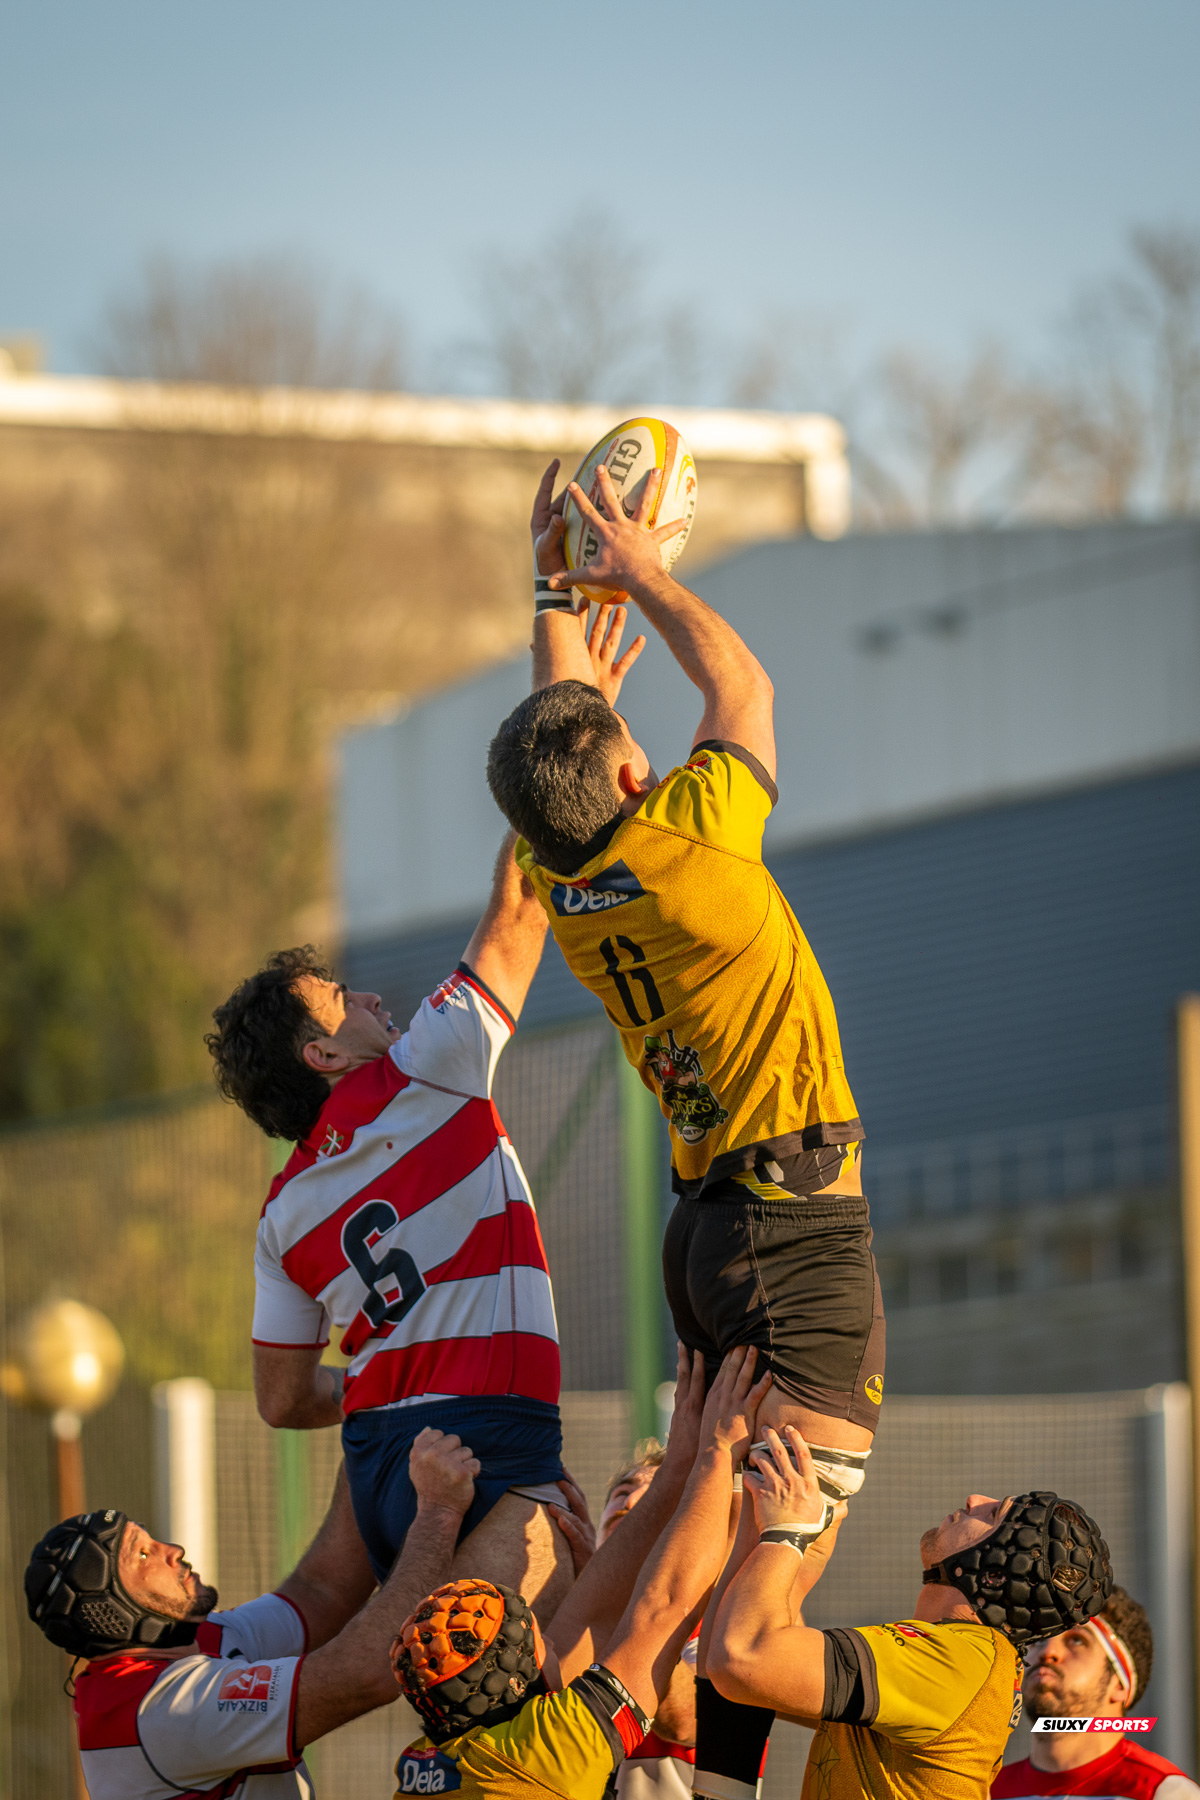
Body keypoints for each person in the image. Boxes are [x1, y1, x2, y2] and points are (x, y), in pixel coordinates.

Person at [486, 459, 885, 1794]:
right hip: (780, 1230)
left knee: (678, 1514)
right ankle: (657, 1757)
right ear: (633, 771)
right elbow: (748, 696)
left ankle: (551, 1724)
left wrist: (560, 581)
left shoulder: (566, 857)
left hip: (723, 1230)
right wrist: (635, 567)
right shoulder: (689, 852)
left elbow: (565, 739)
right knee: (763, 1577)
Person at [207, 612, 636, 1613]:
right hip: (488, 1437)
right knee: (528, 1682)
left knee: (341, 1626)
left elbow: (280, 1401)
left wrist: (383, 1385)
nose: (366, 999)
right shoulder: (424, 1070)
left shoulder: (282, 1214)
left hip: (380, 1454)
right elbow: (523, 896)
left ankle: (184, 1711)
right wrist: (576, 708)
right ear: (321, 1055)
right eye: (339, 1002)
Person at [389, 1344, 771, 1800]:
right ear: (519, 1682)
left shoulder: (426, 1759)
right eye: (541, 1640)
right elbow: (663, 1611)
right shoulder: (552, 1747)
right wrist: (718, 1452)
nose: (554, 1641)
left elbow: (601, 1629)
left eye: (647, 1500)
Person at [25, 1429, 493, 1800]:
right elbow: (364, 1676)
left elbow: (322, 1591)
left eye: (151, 1537)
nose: (172, 1550)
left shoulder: (189, 1646)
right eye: (143, 1555)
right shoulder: (160, 1711)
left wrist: (370, 1428)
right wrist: (438, 1512)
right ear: (114, 1611)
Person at [705, 1422, 1114, 1800]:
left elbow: (742, 1658)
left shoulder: (956, 1661)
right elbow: (779, 1675)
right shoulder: (972, 1659)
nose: (974, 1499)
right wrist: (810, 1551)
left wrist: (787, 1532)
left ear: (992, 1576)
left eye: (994, 1514)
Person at [994, 1588, 1199, 1800]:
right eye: (1039, 1639)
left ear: (1119, 1685)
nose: (1047, 1652)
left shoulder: (1162, 1792)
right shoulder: (985, 1791)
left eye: (1076, 1640)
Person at [597, 1443, 699, 1799]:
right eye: (622, 1493)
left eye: (654, 1495)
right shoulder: (571, 1614)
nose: (628, 1503)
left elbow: (688, 1721)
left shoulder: (714, 1611)